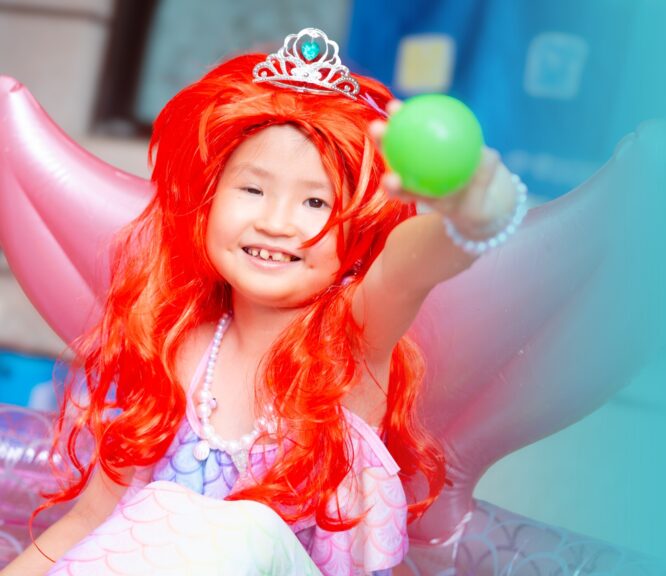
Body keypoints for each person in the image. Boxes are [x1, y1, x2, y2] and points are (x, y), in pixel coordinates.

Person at [0, 28, 524, 576]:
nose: (275, 223)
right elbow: (90, 524)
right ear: (207, 200)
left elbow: (406, 269)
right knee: (149, 510)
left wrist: (475, 216)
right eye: (252, 189)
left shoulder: (351, 337)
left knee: (227, 522)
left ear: (359, 233)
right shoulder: (176, 349)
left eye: (316, 202)